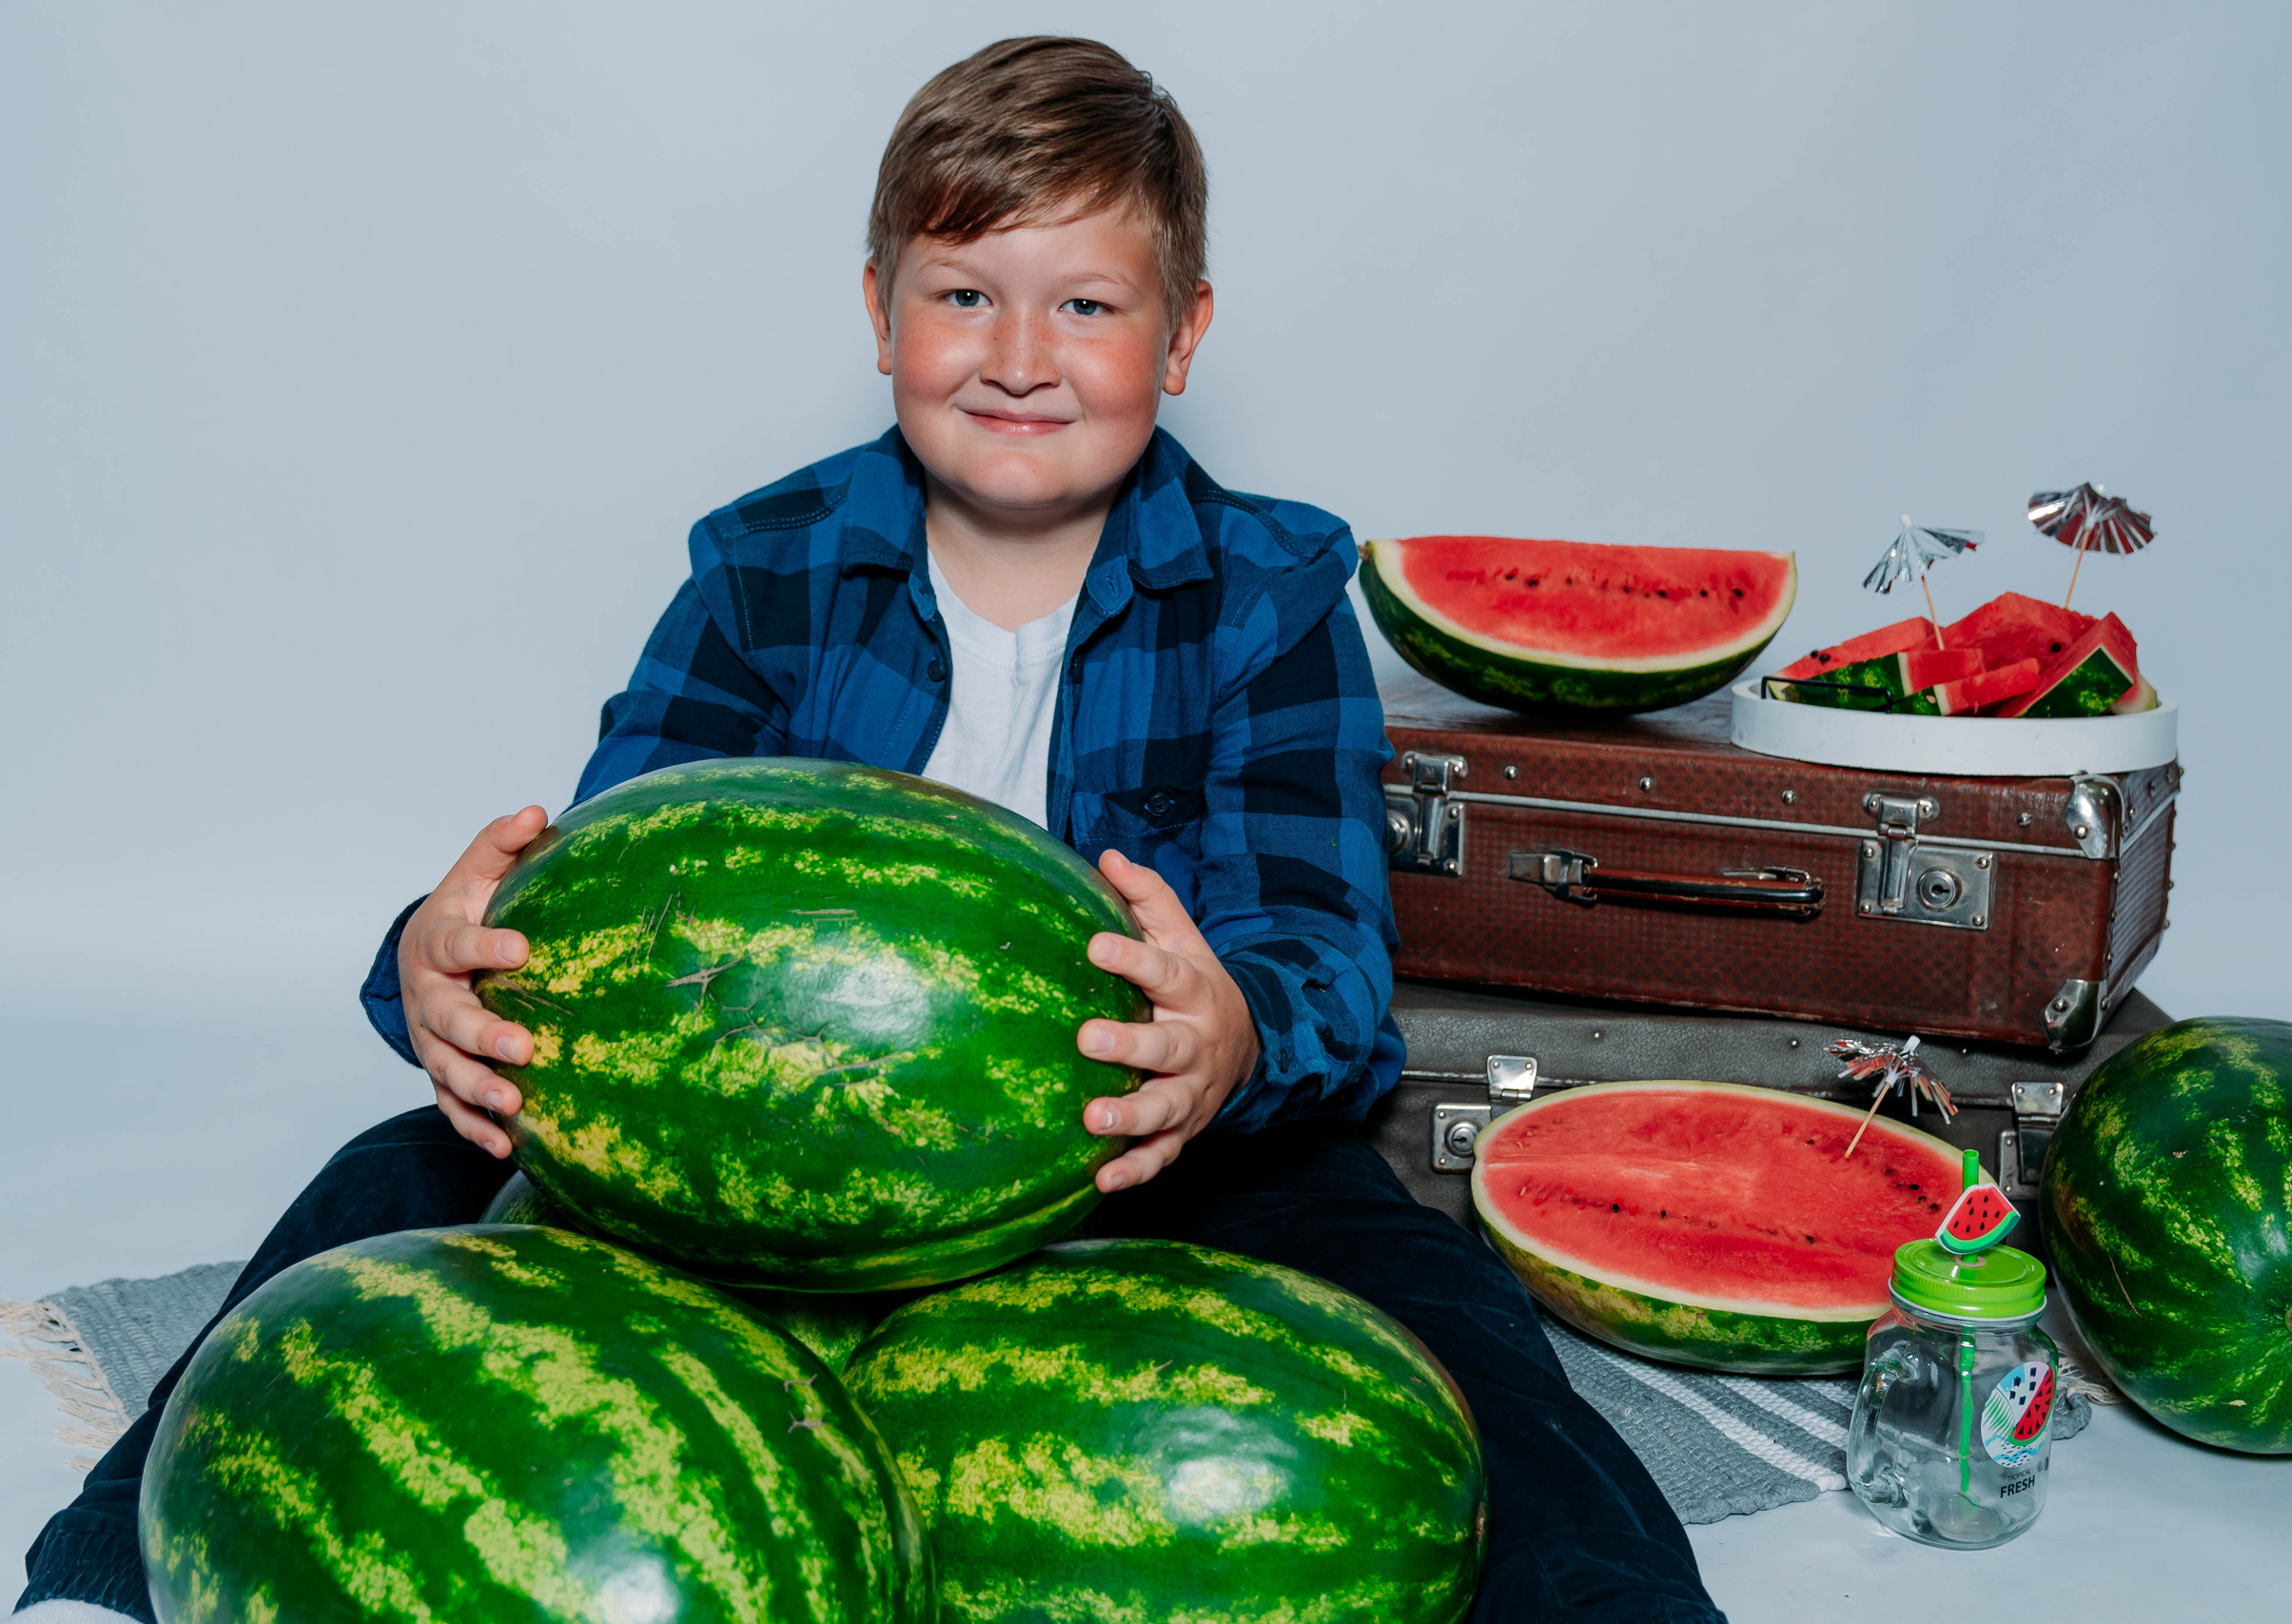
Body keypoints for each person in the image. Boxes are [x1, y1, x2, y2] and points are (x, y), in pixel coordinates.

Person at [17, 38, 1722, 1623]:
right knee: (384, 1189)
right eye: (964, 293)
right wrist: (438, 965)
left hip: (1161, 1147)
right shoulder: (766, 566)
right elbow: (609, 885)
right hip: (766, 1156)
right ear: (879, 310)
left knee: (1450, 1323)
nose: (1020, 356)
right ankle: (105, 1568)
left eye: (1087, 305)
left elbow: (1327, 945)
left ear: (1186, 336)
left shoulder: (1271, 591)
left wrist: (1230, 1036)